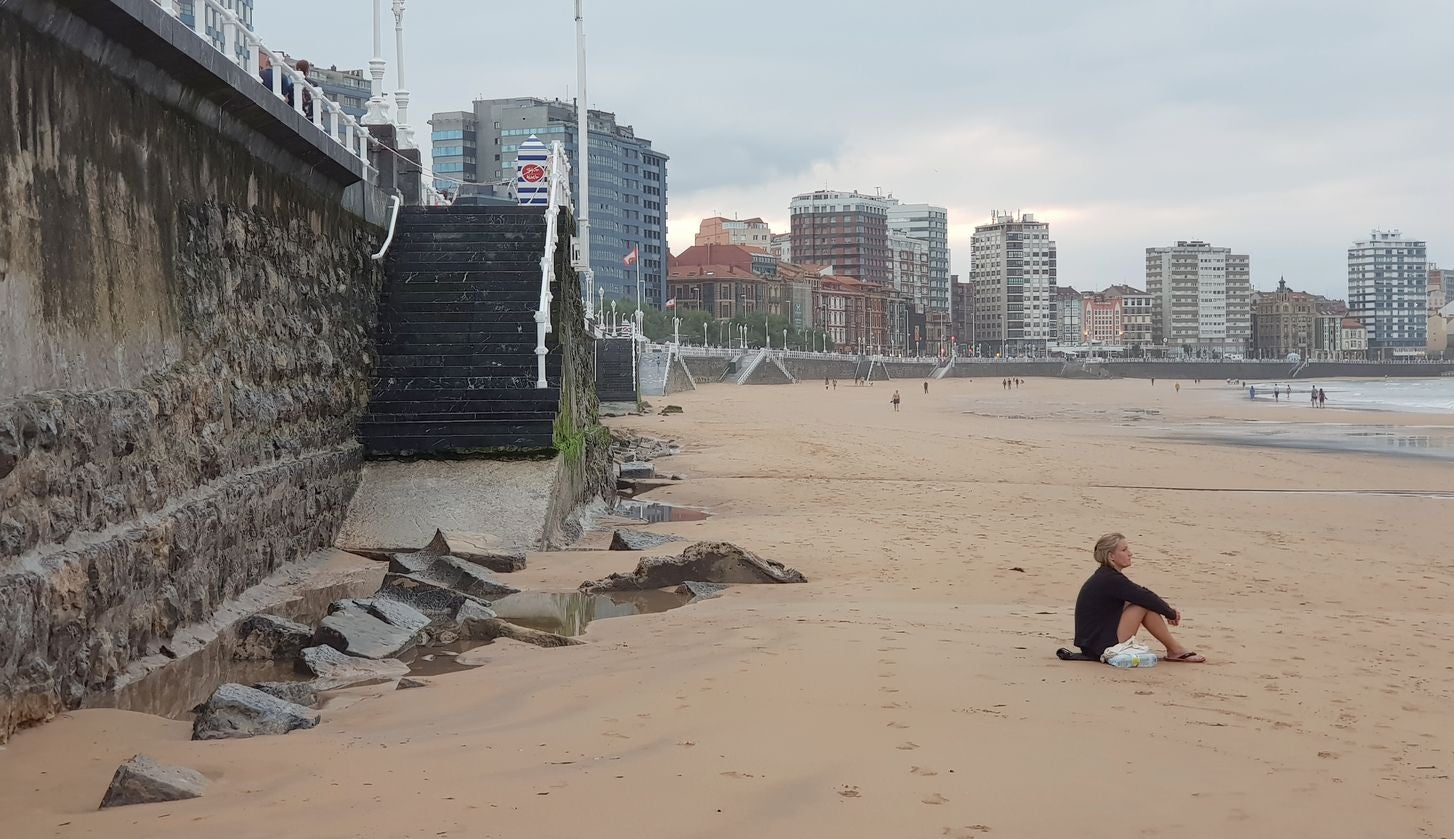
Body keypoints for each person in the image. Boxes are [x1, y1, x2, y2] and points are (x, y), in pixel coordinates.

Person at [1074, 533, 1206, 663]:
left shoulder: (1105, 576)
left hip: (1092, 645)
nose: (1130, 553)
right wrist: (1170, 613)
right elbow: (1144, 596)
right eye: (1124, 550)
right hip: (1100, 646)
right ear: (1111, 556)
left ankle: (1175, 650)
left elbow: (1139, 594)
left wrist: (1167, 611)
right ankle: (1175, 650)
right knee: (1142, 604)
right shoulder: (1110, 579)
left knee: (1138, 602)